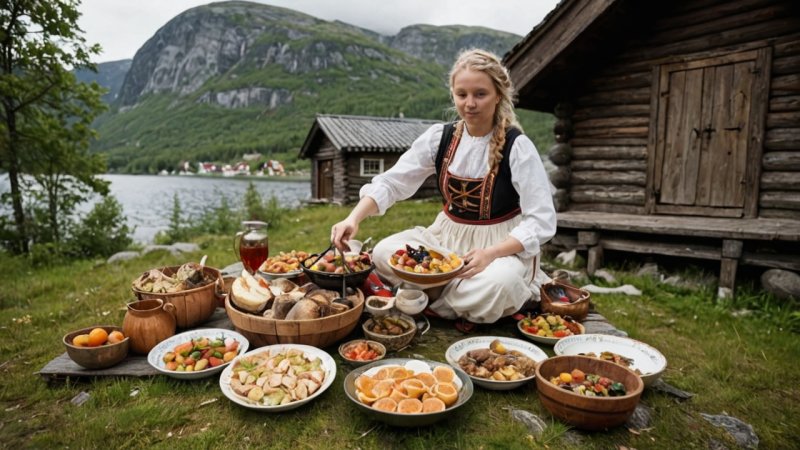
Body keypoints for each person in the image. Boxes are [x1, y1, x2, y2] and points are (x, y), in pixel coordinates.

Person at [331, 49, 556, 331]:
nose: (470, 104)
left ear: (498, 95)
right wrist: (353, 218)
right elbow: (392, 182)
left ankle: (424, 297)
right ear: (453, 94)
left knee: (500, 283)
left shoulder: (517, 146)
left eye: (480, 94)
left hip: (499, 244)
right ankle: (454, 298)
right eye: (462, 94)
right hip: (446, 238)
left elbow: (541, 220)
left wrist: (492, 253)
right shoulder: (440, 138)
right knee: (383, 253)